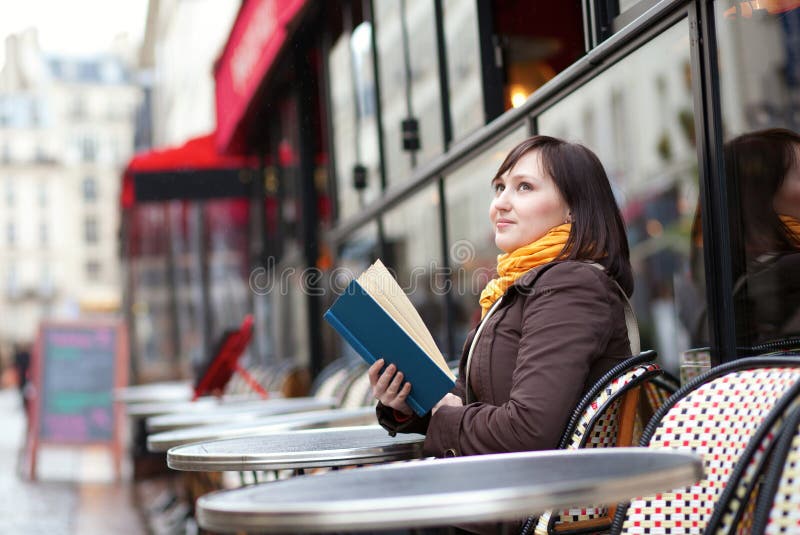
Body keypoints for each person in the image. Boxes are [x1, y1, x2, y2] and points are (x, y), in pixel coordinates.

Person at [369, 135, 635, 459]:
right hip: (510, 489)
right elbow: (473, 400)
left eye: (524, 187)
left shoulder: (570, 286)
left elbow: (529, 430)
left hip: (542, 502)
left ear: (573, 210)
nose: (501, 204)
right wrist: (407, 401)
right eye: (500, 188)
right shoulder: (519, 285)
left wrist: (445, 417)